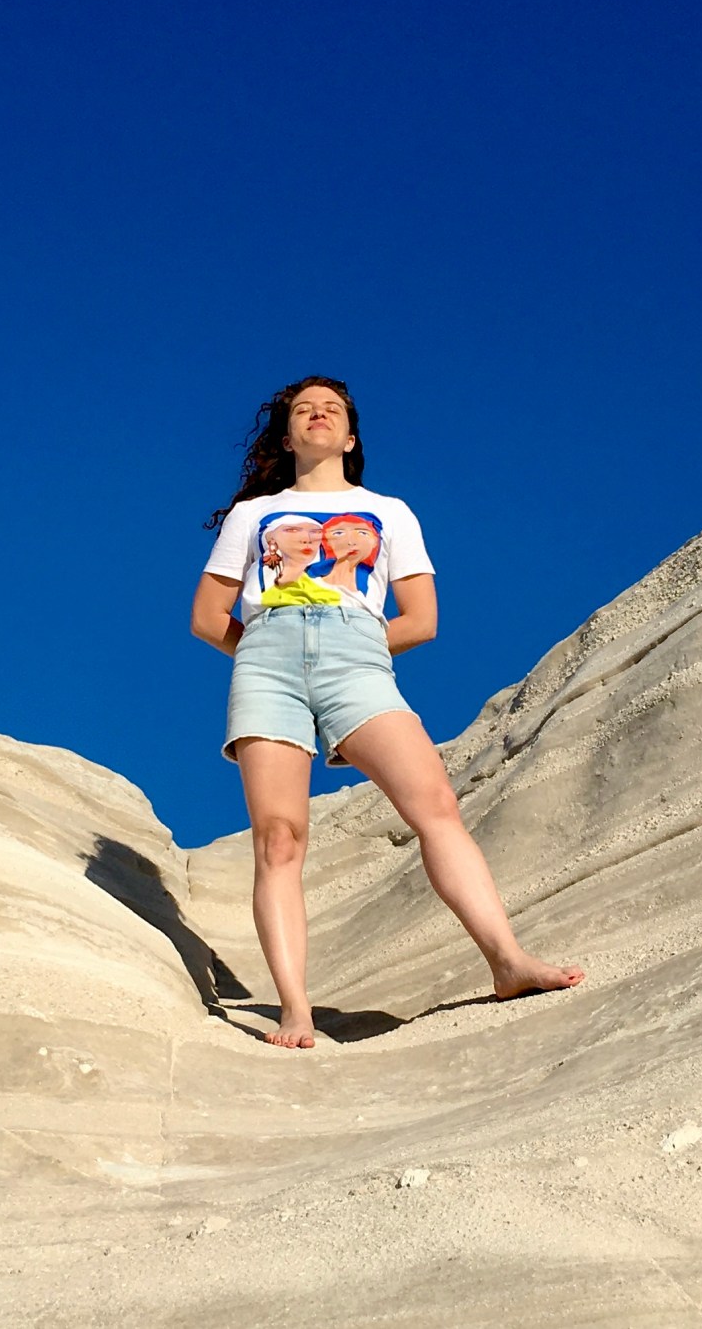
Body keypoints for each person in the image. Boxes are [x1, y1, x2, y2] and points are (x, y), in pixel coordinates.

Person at [190, 375, 584, 1049]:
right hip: (266, 666)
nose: (318, 415)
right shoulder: (255, 515)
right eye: (303, 410)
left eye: (332, 410)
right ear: (286, 438)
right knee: (279, 838)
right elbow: (207, 617)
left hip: (358, 661)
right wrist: (265, 649)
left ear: (350, 437)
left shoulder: (390, 512)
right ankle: (296, 1011)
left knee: (435, 803)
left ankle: (508, 962)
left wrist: (357, 641)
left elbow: (422, 619)